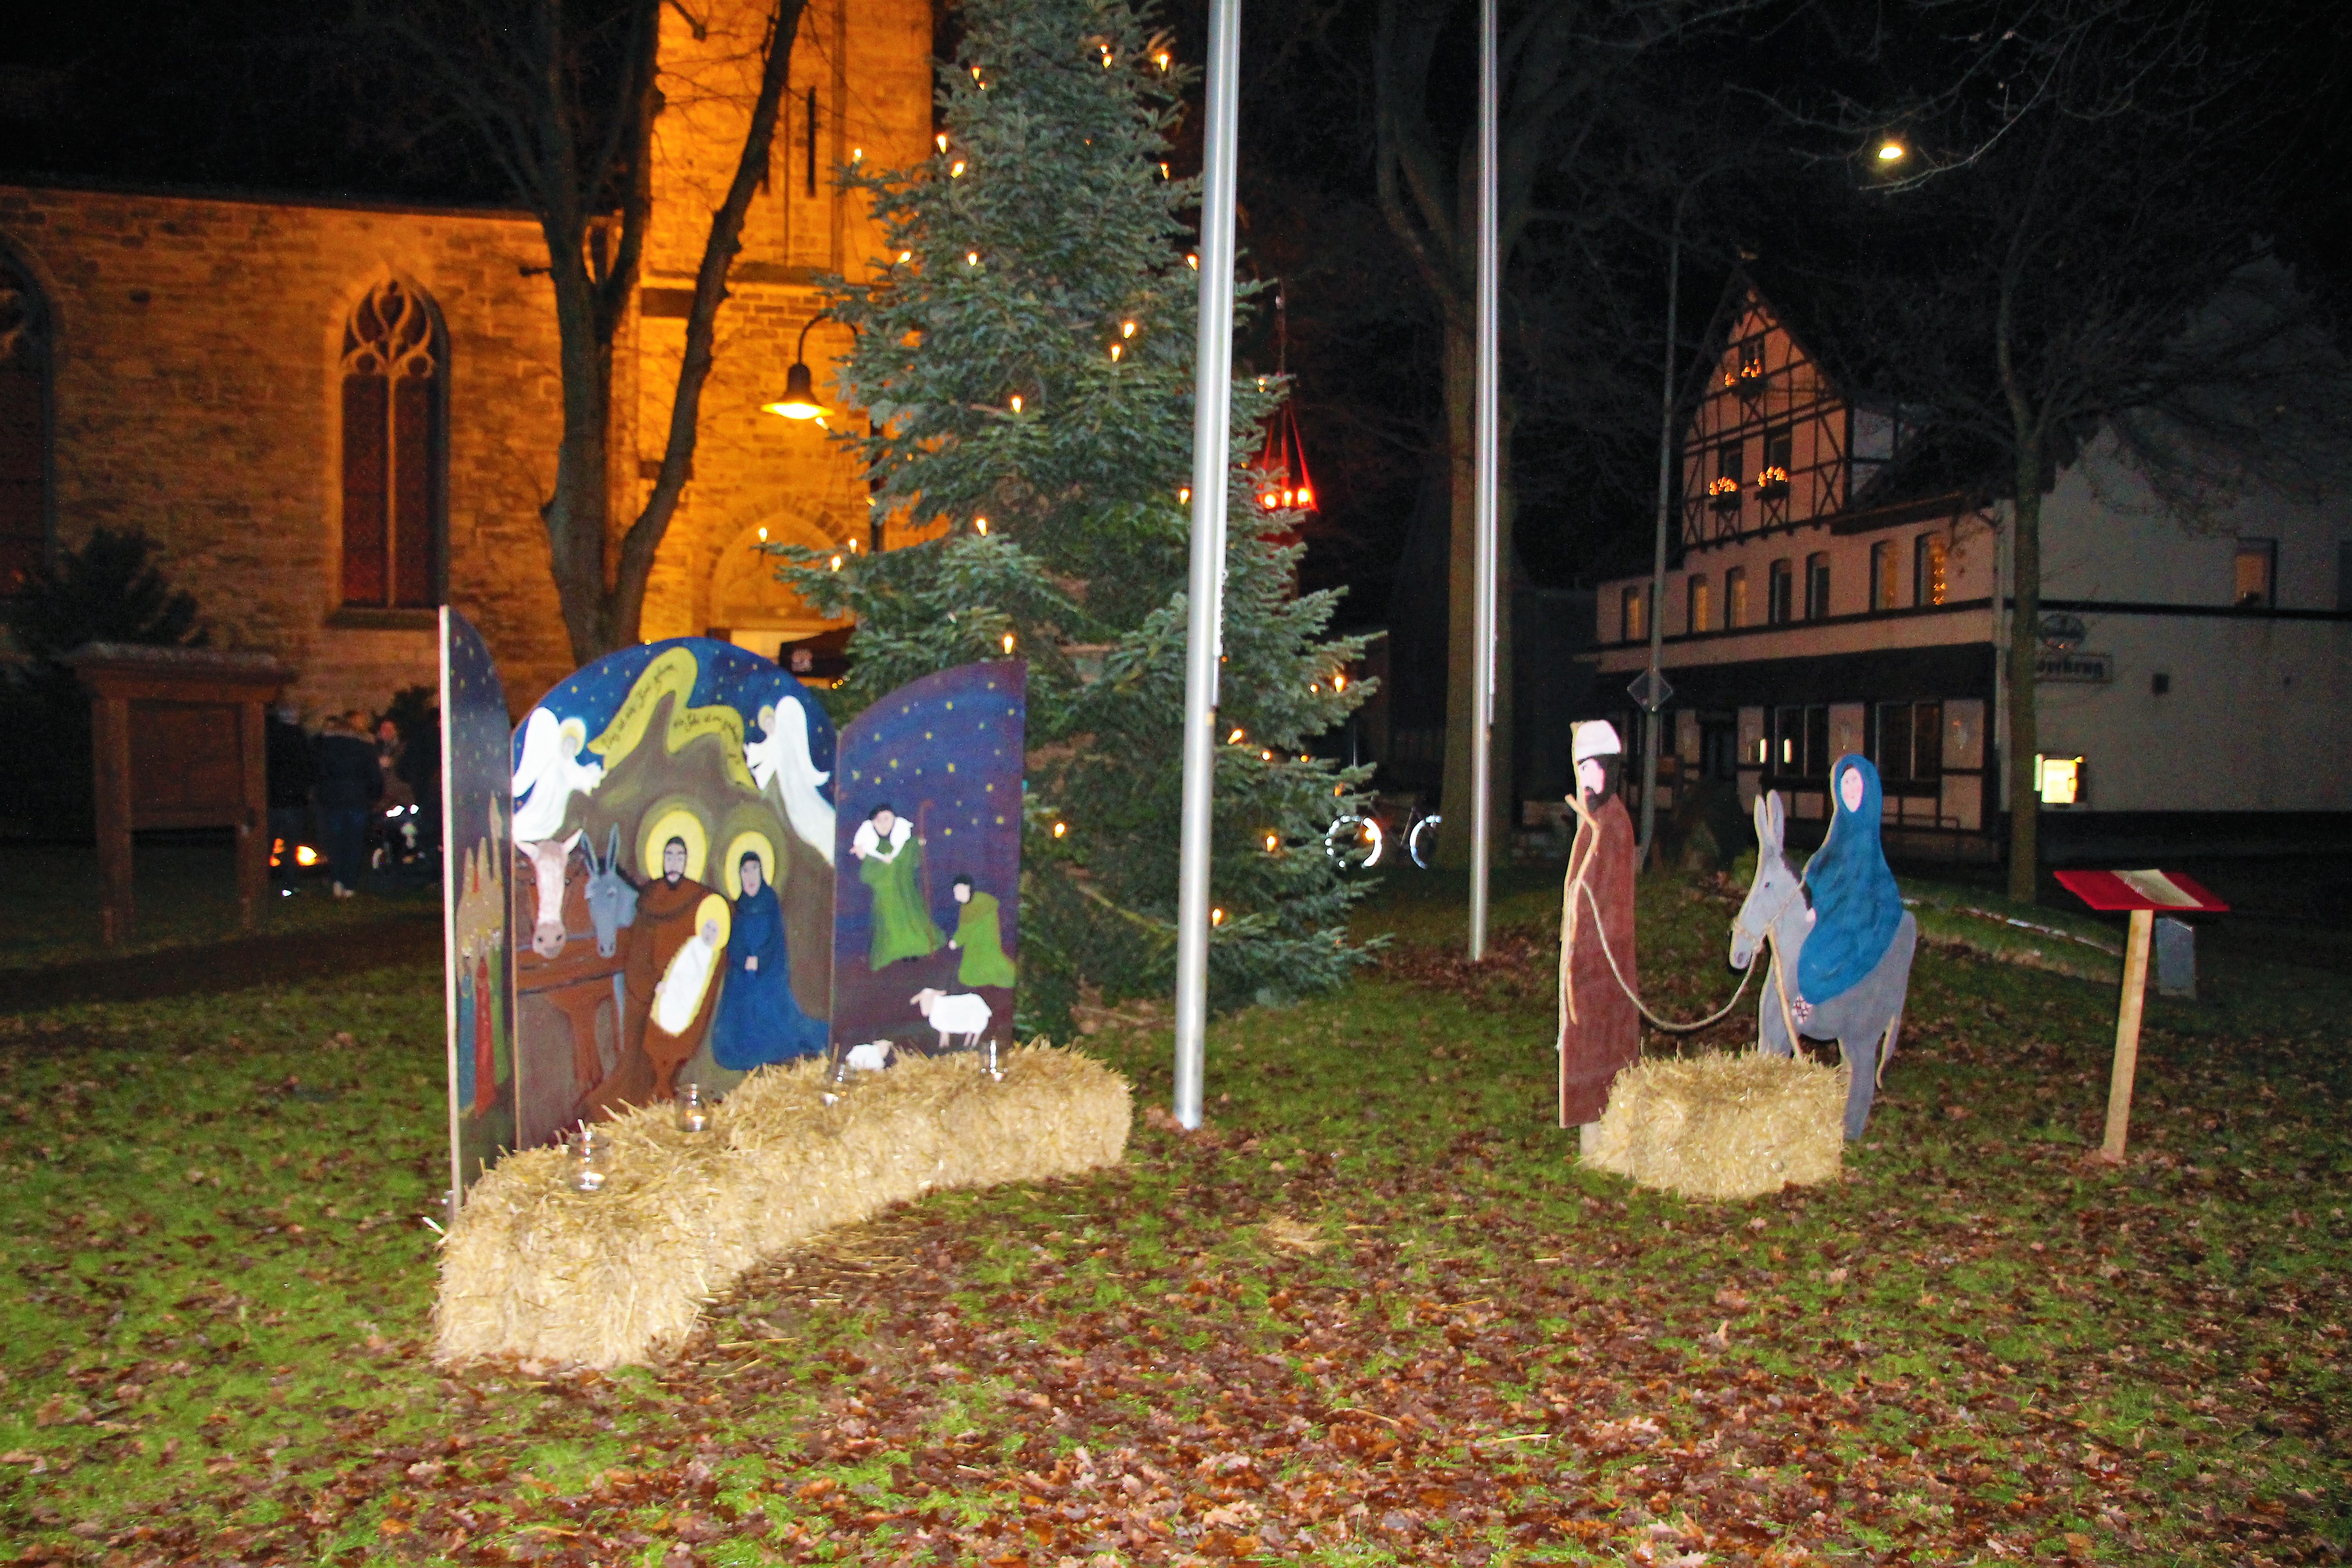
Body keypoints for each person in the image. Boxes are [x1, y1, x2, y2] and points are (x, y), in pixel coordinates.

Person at [1557, 720, 1639, 1149]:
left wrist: (1592, 949)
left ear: (1609, 770)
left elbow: (1612, 900)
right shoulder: (1594, 821)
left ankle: (1604, 1137)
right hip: (1586, 957)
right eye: (1580, 768)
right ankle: (1592, 1132)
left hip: (1604, 961)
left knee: (1604, 1042)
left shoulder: (1614, 824)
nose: (1585, 778)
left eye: (1592, 768)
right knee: (1586, 1041)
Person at [612, 836, 726, 1107]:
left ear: (688, 861)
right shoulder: (649, 898)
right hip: (650, 988)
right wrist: (648, 981)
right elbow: (639, 947)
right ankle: (653, 1088)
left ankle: (668, 1086)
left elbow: (717, 921)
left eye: (680, 856)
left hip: (683, 991)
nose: (674, 862)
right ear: (661, 860)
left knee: (677, 1041)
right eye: (669, 856)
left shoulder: (698, 897)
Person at [1794, 755, 1905, 1020]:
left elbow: (1856, 887)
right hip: (1834, 907)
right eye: (1845, 783)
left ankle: (1816, 1001)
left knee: (1820, 959)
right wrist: (1814, 901)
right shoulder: (1841, 828)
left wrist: (1823, 910)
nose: (1851, 789)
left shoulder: (1865, 837)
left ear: (1867, 786)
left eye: (1856, 781)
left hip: (1857, 914)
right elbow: (1824, 868)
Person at [710, 851, 829, 1068]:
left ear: (762, 873)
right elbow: (734, 941)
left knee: (780, 1024)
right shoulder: (738, 907)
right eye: (746, 871)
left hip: (768, 974)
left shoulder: (770, 902)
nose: (751, 876)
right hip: (742, 976)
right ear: (740, 876)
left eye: (755, 870)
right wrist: (744, 959)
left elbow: (776, 940)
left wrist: (760, 959)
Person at [851, 804, 943, 967]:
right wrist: (871, 860)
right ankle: (896, 955)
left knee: (913, 921)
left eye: (887, 819)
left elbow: (912, 857)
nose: (883, 824)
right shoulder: (872, 847)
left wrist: (918, 844)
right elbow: (866, 875)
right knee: (891, 925)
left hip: (906, 892)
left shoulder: (902, 842)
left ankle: (916, 951)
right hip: (886, 896)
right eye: (879, 820)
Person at [312, 710, 383, 900]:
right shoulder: (365, 746)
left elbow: (319, 772)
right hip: (357, 800)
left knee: (335, 842)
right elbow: (374, 775)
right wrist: (374, 795)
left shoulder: (326, 745)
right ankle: (350, 884)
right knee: (354, 843)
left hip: (333, 800)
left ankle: (337, 880)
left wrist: (322, 794)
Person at [264, 703, 314, 894]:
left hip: (275, 799)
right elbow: (308, 768)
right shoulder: (302, 739)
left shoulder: (271, 738)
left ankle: (262, 883)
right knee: (292, 846)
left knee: (268, 844)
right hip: (295, 800)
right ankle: (290, 884)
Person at [946, 874, 1017, 990]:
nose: (957, 895)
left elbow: (968, 928)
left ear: (968, 888)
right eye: (956, 892)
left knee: (979, 971)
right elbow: (965, 927)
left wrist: (956, 941)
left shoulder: (981, 903)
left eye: (959, 891)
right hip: (976, 943)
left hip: (985, 944)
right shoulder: (967, 905)